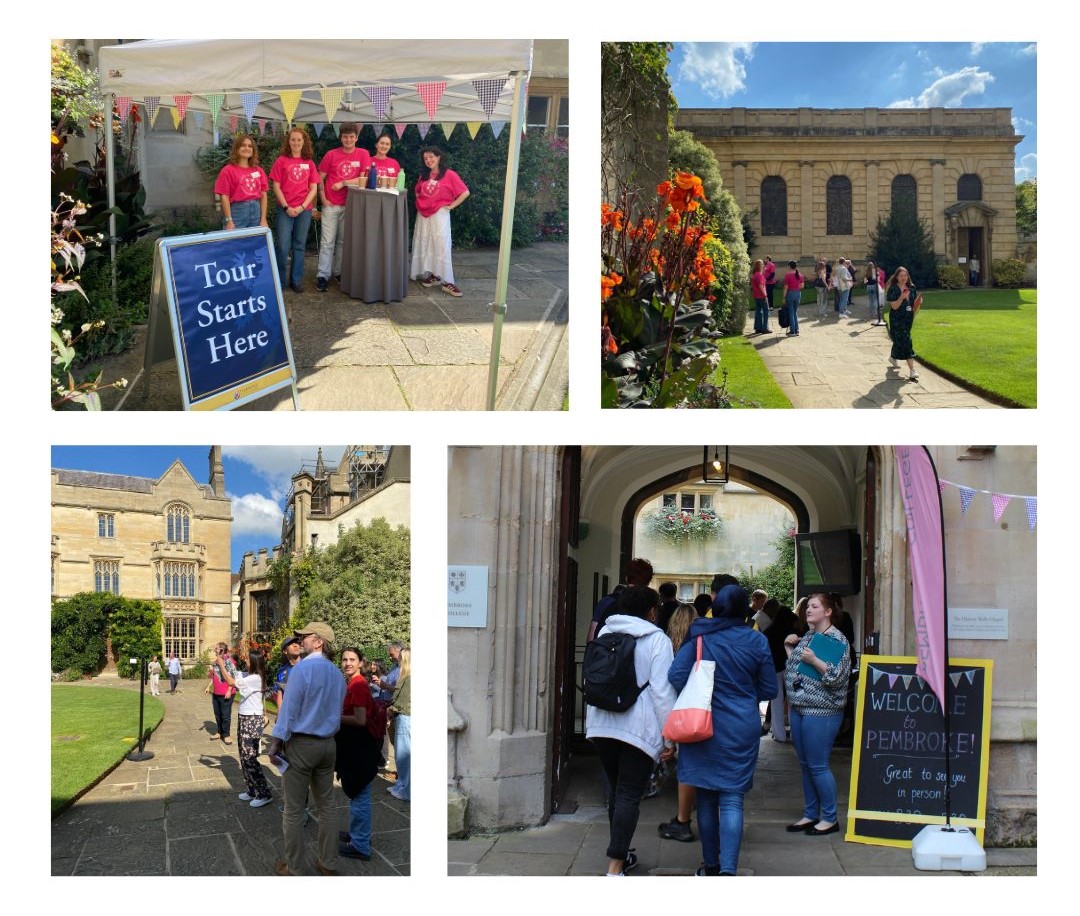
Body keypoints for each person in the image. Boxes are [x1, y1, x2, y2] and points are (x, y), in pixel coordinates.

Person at [668, 584, 777, 875]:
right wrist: (742, 695)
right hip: (741, 726)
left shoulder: (702, 638)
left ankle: (711, 865)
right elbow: (769, 688)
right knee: (732, 797)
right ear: (744, 609)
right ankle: (729, 870)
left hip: (701, 724)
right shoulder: (756, 642)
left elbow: (675, 674)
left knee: (705, 796)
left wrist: (700, 693)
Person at [586, 586, 677, 876]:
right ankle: (615, 869)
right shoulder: (657, 640)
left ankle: (621, 855)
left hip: (601, 724)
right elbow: (662, 693)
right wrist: (669, 737)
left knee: (617, 792)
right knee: (628, 795)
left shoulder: (605, 633)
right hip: (636, 728)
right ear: (652, 611)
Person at [267, 622, 346, 876]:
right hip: (328, 745)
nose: (300, 639)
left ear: (319, 641)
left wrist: (276, 742)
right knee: (327, 807)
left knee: (293, 809)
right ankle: (329, 863)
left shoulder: (302, 669)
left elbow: (289, 710)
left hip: (302, 744)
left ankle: (294, 867)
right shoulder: (337, 673)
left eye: (305, 637)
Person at [782, 593, 852, 836]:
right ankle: (811, 814)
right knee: (805, 764)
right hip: (800, 709)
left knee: (818, 765)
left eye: (814, 606)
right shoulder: (810, 636)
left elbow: (836, 678)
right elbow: (799, 670)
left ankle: (830, 818)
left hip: (822, 712)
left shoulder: (837, 640)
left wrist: (815, 660)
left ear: (828, 611)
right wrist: (789, 648)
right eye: (808, 606)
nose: (808, 610)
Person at [336, 647, 381, 860]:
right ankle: (357, 835)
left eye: (352, 659)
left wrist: (333, 716)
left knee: (360, 796)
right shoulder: (353, 683)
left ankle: (361, 845)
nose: (348, 663)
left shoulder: (359, 685)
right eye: (344, 660)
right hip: (356, 747)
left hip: (360, 748)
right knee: (357, 795)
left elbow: (360, 720)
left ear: (361, 663)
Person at [315, 123, 370, 293]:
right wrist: (323, 199)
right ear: (341, 138)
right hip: (331, 205)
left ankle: (338, 272)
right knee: (327, 242)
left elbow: (364, 179)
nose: (348, 139)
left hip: (351, 205)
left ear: (356, 137)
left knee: (342, 242)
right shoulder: (331, 155)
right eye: (345, 136)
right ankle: (323, 275)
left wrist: (344, 182)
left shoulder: (363, 154)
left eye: (351, 136)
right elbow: (319, 179)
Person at [411, 146, 470, 297]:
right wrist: (422, 202)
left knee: (441, 244)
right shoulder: (424, 175)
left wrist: (450, 206)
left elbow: (465, 192)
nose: (428, 160)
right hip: (423, 215)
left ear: (439, 157)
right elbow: (417, 190)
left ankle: (447, 281)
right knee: (425, 242)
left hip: (439, 215)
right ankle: (434, 275)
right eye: (425, 158)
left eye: (431, 157)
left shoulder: (449, 174)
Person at [269, 127, 319, 293]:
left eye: (299, 140)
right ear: (288, 142)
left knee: (299, 246)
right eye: (293, 140)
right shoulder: (281, 161)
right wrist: (286, 207)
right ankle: (281, 281)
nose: (296, 143)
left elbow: (313, 188)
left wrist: (302, 207)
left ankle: (296, 280)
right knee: (283, 246)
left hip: (304, 210)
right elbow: (276, 186)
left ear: (304, 142)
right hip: (285, 209)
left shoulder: (309, 163)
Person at [235, 648, 274, 808]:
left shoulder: (255, 678)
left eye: (248, 659)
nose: (246, 661)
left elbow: (232, 681)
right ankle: (252, 789)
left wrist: (221, 663)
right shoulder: (249, 676)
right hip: (244, 716)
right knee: (243, 756)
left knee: (249, 757)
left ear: (254, 662)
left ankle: (264, 794)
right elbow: (235, 674)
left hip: (252, 718)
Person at [588, 557, 654, 642]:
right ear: (648, 582)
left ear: (626, 578)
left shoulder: (607, 601)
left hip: (608, 653)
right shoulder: (650, 606)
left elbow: (591, 637)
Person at [214, 133, 268, 230]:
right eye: (243, 145)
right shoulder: (228, 170)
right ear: (237, 148)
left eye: (250, 146)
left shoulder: (258, 170)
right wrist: (229, 220)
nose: (247, 148)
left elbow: (263, 195)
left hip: (256, 211)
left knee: (253, 243)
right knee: (233, 243)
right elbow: (224, 197)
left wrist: (263, 219)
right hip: (237, 212)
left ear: (253, 150)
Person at [764, 603, 799, 742]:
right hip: (791, 668)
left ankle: (779, 735)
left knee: (776, 701)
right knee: (794, 701)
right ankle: (796, 733)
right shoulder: (791, 631)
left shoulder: (769, 631)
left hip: (774, 668)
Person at [885, 265, 923, 382]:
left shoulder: (912, 287)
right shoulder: (893, 289)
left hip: (908, 319)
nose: (903, 278)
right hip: (897, 320)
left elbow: (913, 309)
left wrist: (918, 303)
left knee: (900, 340)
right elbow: (894, 307)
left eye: (905, 275)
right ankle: (912, 371)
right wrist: (901, 298)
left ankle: (892, 357)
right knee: (907, 341)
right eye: (901, 275)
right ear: (896, 277)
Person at [387, 648, 411, 801]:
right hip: (405, 717)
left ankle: (406, 790)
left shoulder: (408, 677)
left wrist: (390, 708)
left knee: (404, 755)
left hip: (405, 717)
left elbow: (401, 701)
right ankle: (401, 785)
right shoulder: (407, 676)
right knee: (402, 754)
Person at [208, 642, 238, 744]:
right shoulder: (216, 661)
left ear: (222, 650)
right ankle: (220, 732)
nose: (215, 649)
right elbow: (214, 676)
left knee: (225, 715)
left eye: (217, 648)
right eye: (215, 648)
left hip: (226, 693)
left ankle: (227, 735)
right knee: (217, 714)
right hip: (216, 693)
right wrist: (208, 687)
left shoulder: (229, 661)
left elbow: (234, 676)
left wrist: (229, 690)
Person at [273, 636, 302, 712]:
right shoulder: (281, 671)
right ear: (285, 651)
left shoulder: (308, 666)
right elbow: (280, 693)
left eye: (297, 643)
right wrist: (279, 714)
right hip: (289, 714)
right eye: (291, 644)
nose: (295, 645)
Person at [782, 260, 803, 337]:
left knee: (791, 312)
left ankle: (792, 331)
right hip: (798, 293)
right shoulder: (800, 274)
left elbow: (785, 287)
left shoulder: (788, 275)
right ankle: (796, 330)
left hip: (790, 293)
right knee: (794, 312)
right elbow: (802, 286)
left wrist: (783, 297)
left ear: (790, 266)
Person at [750, 259, 769, 334]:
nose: (763, 266)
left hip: (756, 296)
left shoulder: (754, 275)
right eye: (762, 265)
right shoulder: (759, 275)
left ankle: (758, 328)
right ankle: (765, 328)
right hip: (761, 296)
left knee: (758, 312)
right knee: (766, 311)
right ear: (760, 266)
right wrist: (765, 296)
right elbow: (761, 286)